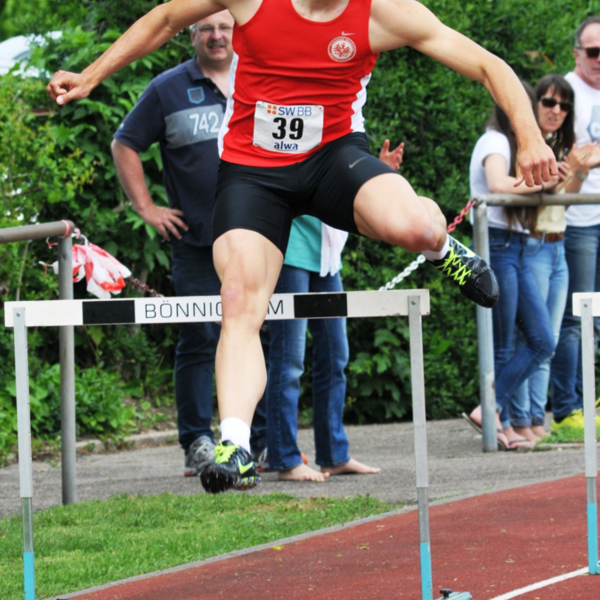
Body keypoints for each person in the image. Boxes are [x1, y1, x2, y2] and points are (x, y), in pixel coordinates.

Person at [47, 0, 556, 494]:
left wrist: (529, 135)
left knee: (415, 229)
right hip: (253, 169)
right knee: (241, 298)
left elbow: (489, 65)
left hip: (334, 156)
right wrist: (92, 74)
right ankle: (236, 447)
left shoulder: (382, 12)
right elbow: (163, 18)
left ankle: (445, 248)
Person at [111, 10, 267, 477]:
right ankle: (197, 442)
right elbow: (125, 144)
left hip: (256, 238)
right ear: (191, 35)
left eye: (225, 27)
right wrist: (146, 208)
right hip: (196, 240)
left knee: (258, 334)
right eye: (207, 29)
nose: (217, 36)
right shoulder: (166, 89)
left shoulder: (259, 79)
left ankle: (252, 443)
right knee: (199, 338)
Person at [265, 140, 403, 483]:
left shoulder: (342, 120)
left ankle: (333, 455)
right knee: (288, 358)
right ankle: (284, 459)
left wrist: (377, 172)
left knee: (335, 355)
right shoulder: (294, 120)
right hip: (290, 251)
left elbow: (346, 178)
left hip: (328, 256)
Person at [468, 82, 565, 451]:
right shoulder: (495, 141)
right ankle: (498, 420)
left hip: (515, 243)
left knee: (541, 339)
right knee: (506, 343)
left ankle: (491, 411)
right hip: (496, 242)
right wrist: (543, 178)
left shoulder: (512, 144)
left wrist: (552, 177)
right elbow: (496, 184)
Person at [550, 16, 600, 435]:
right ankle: (567, 410)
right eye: (593, 52)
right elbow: (553, 158)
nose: (599, 60)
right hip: (577, 218)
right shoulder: (564, 93)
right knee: (574, 317)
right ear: (577, 54)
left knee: (596, 318)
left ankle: (589, 402)